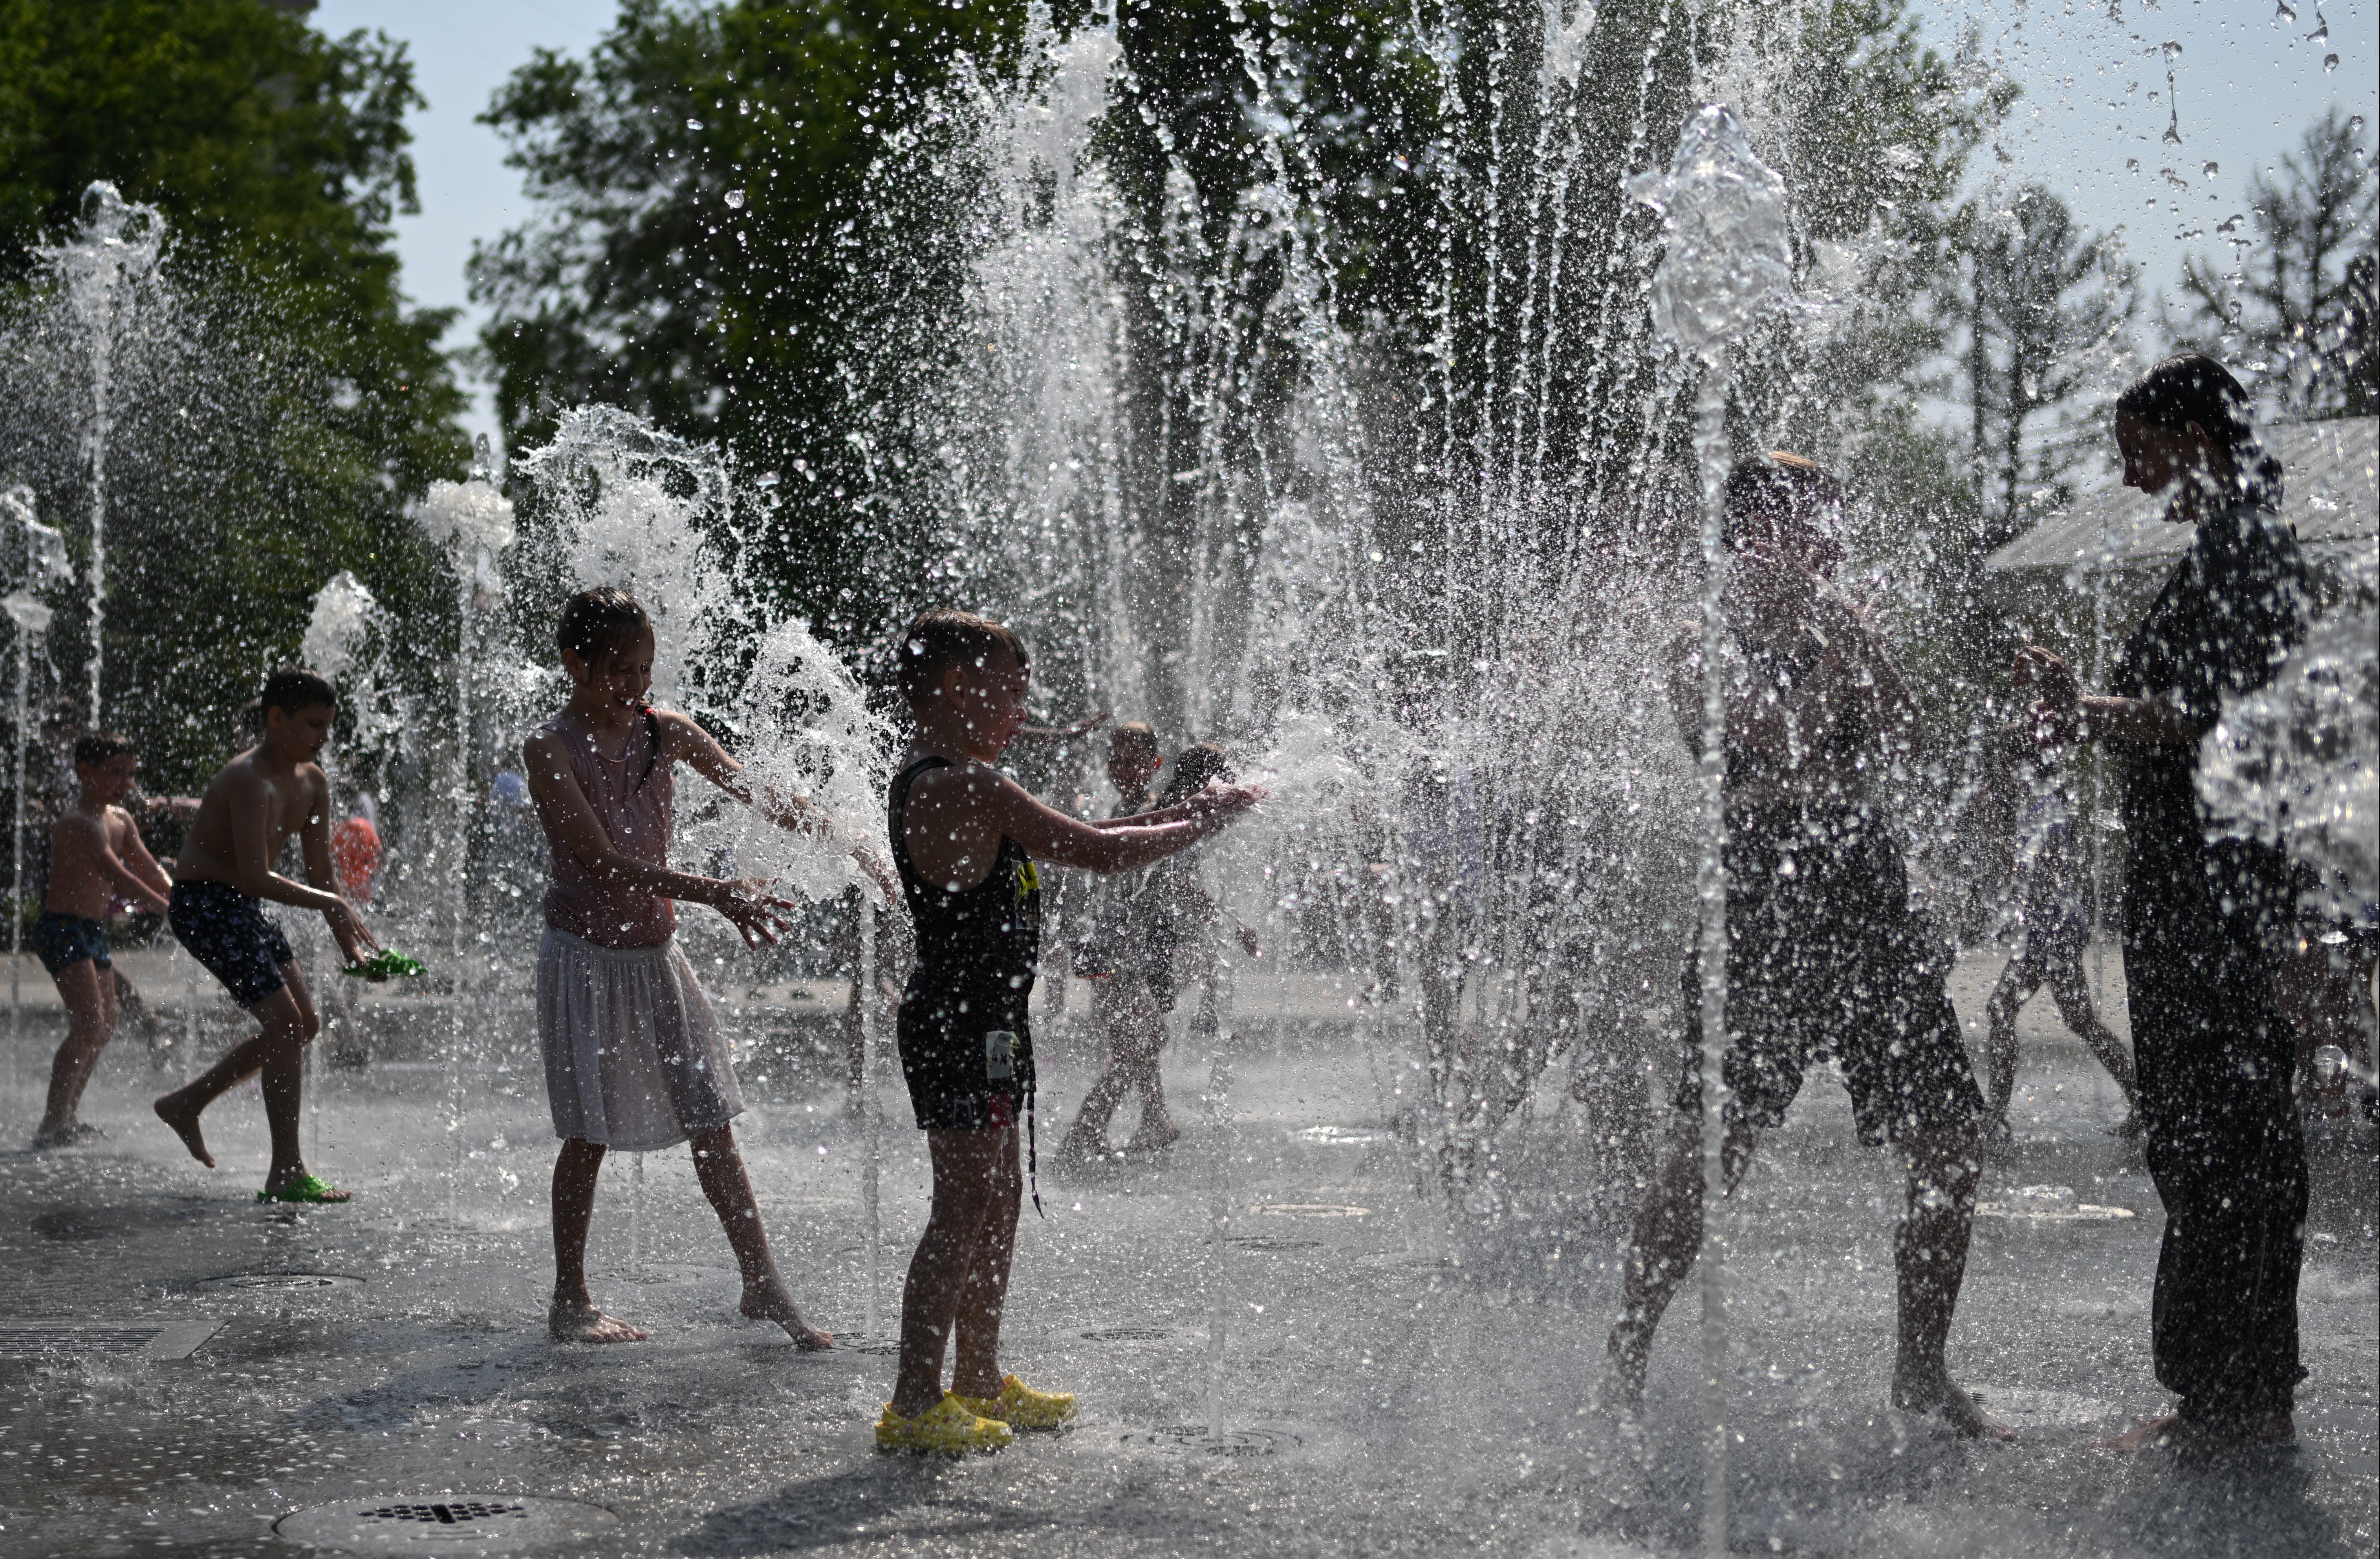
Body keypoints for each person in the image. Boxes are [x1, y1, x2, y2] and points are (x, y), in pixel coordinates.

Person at [1604, 452, 2005, 1439]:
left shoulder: (1840, 623)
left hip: (1862, 888)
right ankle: (1624, 1354)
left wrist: (1853, 644)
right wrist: (1837, 655)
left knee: (1949, 1141)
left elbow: (1907, 737)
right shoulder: (1697, 639)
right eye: (1803, 518)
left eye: (1826, 518)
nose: (1823, 538)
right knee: (1709, 1152)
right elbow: (1765, 737)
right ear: (1749, 530)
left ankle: (1920, 1368)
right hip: (1758, 899)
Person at [877, 609, 1259, 1453]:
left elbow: (1102, 833)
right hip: (956, 1022)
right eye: (1010, 692)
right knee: (961, 1204)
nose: (1023, 708)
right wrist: (1205, 823)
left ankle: (978, 1377)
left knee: (1002, 1194)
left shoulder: (969, 779)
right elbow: (1100, 850)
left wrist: (1187, 808)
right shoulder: (957, 784)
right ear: (954, 687)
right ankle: (911, 1400)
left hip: (991, 1025)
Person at [2030, 355, 2310, 1461]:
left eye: (2136, 448)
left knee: (2216, 1138)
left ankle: (2226, 1398)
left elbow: (2222, 718)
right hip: (2199, 894)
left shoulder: (2246, 550)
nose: (2127, 474)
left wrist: (2084, 708)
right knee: (2216, 1137)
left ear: (2192, 439)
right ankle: (2232, 1390)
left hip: (2212, 899)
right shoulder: (2233, 547)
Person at [524, 586, 859, 1349]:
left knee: (713, 1119)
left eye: (644, 668)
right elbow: (599, 860)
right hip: (582, 960)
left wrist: (844, 831)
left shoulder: (663, 732)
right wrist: (715, 892)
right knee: (587, 1133)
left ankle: (762, 1283)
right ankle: (570, 1298)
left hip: (655, 954)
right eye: (617, 669)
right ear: (574, 663)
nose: (635, 686)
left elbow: (754, 789)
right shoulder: (549, 746)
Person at [151, 669, 379, 1202]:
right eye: (313, 725)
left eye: (329, 726)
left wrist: (350, 945)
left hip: (242, 905)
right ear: (276, 719)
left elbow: (323, 876)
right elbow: (256, 874)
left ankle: (187, 1103)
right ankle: (286, 1171)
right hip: (204, 903)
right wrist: (333, 903)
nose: (323, 737)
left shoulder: (314, 782)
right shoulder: (246, 779)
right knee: (285, 1022)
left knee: (305, 1025)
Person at [1977, 647, 2140, 1142]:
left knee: (2007, 1009)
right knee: (2078, 1020)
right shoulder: (2042, 801)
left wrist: (2016, 869)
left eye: (2004, 763)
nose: (2000, 772)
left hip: (2053, 928)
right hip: (2052, 925)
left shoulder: (2044, 805)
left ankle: (1995, 1116)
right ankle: (2143, 1103)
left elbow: (2050, 873)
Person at [29, 734, 175, 1148]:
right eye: (115, 773)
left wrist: (178, 895)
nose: (125, 783)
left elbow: (147, 868)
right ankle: (51, 1123)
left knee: (105, 1026)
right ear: (85, 772)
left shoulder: (120, 819)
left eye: (130, 774)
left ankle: (67, 1117)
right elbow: (120, 877)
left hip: (90, 930)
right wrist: (168, 910)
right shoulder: (77, 821)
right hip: (62, 928)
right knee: (89, 1023)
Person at [1055, 723, 1169, 1163]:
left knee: (1137, 1040)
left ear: (1154, 764)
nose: (1123, 769)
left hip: (1134, 950)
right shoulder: (1122, 808)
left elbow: (1168, 881)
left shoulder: (1153, 812)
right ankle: (1135, 1120)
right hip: (1108, 949)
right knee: (1133, 1040)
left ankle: (1108, 1124)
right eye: (1116, 760)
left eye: (1134, 761)